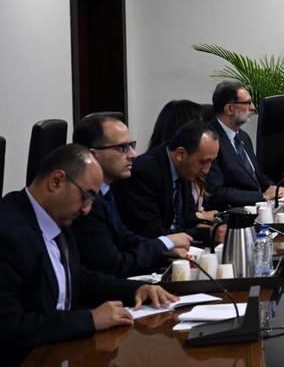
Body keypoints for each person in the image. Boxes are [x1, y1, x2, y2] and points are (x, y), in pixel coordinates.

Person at [0, 144, 176, 363]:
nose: (87, 209)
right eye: (86, 196)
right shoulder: (8, 232)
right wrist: (90, 319)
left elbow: (77, 278)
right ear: (56, 181)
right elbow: (9, 325)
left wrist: (136, 289)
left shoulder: (57, 217)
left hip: (60, 350)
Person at [70, 115, 192, 277]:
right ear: (93, 155)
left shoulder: (106, 191)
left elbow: (124, 237)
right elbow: (113, 266)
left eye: (131, 145)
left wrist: (164, 248)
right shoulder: (87, 203)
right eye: (122, 148)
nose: (133, 154)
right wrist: (165, 243)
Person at [115, 121, 222, 246]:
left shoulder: (183, 168)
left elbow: (185, 218)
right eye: (203, 162)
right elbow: (149, 232)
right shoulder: (144, 172)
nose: (206, 170)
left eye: (211, 162)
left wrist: (214, 225)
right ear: (180, 154)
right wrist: (206, 234)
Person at [206, 82, 279, 207]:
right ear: (229, 109)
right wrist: (261, 196)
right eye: (248, 103)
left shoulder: (243, 136)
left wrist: (275, 189)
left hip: (260, 207)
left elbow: (256, 176)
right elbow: (216, 192)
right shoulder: (210, 140)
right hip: (234, 211)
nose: (253, 108)